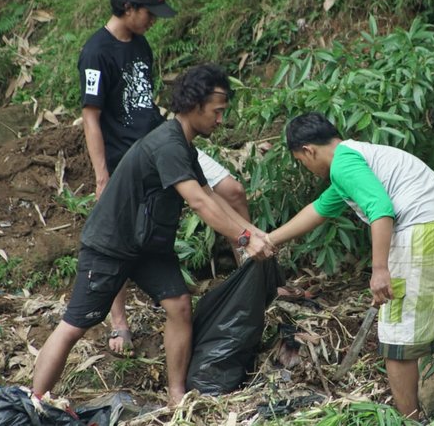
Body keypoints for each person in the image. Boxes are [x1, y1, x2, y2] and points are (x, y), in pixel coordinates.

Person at [33, 64, 274, 406]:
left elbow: (212, 196)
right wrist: (246, 239)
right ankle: (34, 400)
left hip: (147, 247)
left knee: (178, 306)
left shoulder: (183, 146)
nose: (220, 121)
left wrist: (254, 231)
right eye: (217, 112)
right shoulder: (167, 144)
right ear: (195, 105)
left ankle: (176, 396)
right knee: (75, 325)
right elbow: (198, 202)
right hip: (111, 244)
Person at [265, 112, 434, 424]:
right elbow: (318, 210)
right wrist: (267, 240)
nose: (306, 167)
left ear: (308, 150)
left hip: (421, 233)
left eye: (301, 161)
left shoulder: (344, 164)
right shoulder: (364, 157)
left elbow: (381, 209)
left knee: (397, 337)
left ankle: (408, 421)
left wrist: (379, 269)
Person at [78, 0, 250, 357]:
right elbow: (91, 118)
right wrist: (102, 175)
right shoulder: (96, 51)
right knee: (121, 235)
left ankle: (248, 274)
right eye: (149, 14)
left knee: (232, 191)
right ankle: (118, 320)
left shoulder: (141, 44)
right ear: (127, 8)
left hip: (165, 140)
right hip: (128, 156)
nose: (154, 22)